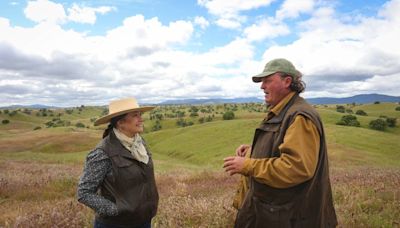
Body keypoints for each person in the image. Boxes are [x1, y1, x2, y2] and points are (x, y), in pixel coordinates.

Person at [223, 58, 337, 227]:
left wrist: (248, 165)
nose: (262, 86)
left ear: (287, 81)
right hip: (274, 213)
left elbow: (296, 167)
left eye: (268, 80)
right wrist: (253, 150)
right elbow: (280, 145)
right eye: (262, 82)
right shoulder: (283, 110)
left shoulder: (299, 116)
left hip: (289, 217)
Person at [77, 97, 159, 228]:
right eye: (135, 115)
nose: (141, 119)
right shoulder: (102, 153)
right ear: (120, 123)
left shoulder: (139, 143)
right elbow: (84, 192)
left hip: (143, 221)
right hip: (116, 224)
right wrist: (116, 210)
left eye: (140, 114)